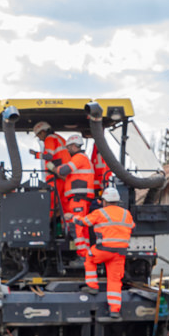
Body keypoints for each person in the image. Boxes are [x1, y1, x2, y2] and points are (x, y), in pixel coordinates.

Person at [76, 186, 135, 314]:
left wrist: (74, 218)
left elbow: (84, 222)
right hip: (120, 253)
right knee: (114, 280)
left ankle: (92, 286)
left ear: (104, 201)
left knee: (89, 258)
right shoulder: (126, 214)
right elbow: (132, 226)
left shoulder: (100, 212)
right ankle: (114, 311)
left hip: (104, 250)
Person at [56, 134, 96, 225]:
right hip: (81, 197)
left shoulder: (79, 158)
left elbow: (63, 170)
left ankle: (79, 240)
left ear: (74, 146)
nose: (67, 150)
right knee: (82, 225)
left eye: (69, 147)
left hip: (79, 198)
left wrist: (56, 169)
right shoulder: (82, 158)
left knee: (78, 227)